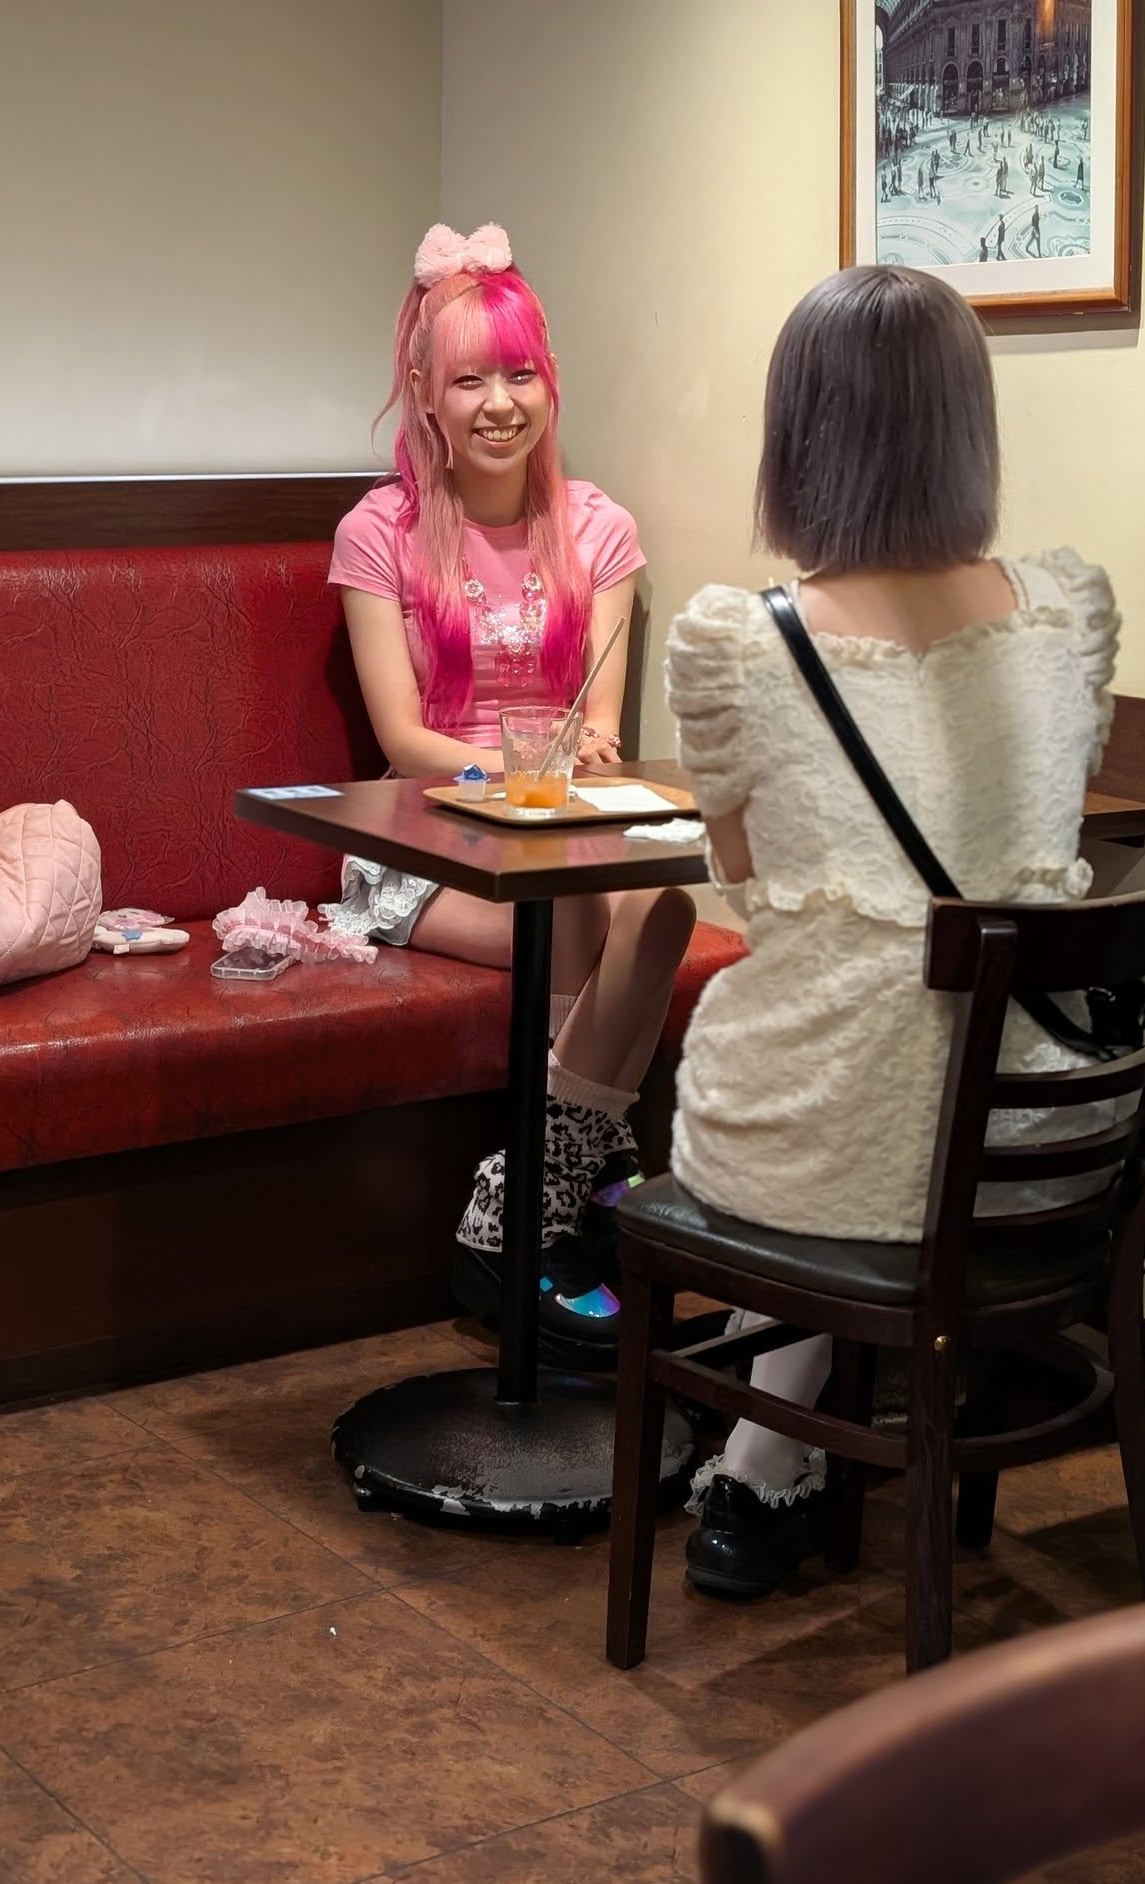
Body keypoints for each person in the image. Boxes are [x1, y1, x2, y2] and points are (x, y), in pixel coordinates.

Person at [663, 265, 1120, 1598]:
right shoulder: (1064, 616)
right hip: (1041, 1157)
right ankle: (767, 1449)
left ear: (798, 437)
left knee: (828, 1067)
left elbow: (741, 872)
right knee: (879, 1058)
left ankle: (762, 1456)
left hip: (823, 1148)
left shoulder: (740, 645)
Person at [327, 222, 695, 1344]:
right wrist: (514, 770)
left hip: (560, 823)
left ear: (551, 382)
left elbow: (602, 724)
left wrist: (580, 761)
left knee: (665, 905)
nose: (500, 403)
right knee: (575, 913)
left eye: (520, 374)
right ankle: (567, 1203)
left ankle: (526, 1196)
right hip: (421, 837)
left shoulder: (599, 528)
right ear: (425, 397)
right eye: (469, 380)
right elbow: (402, 737)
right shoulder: (379, 532)